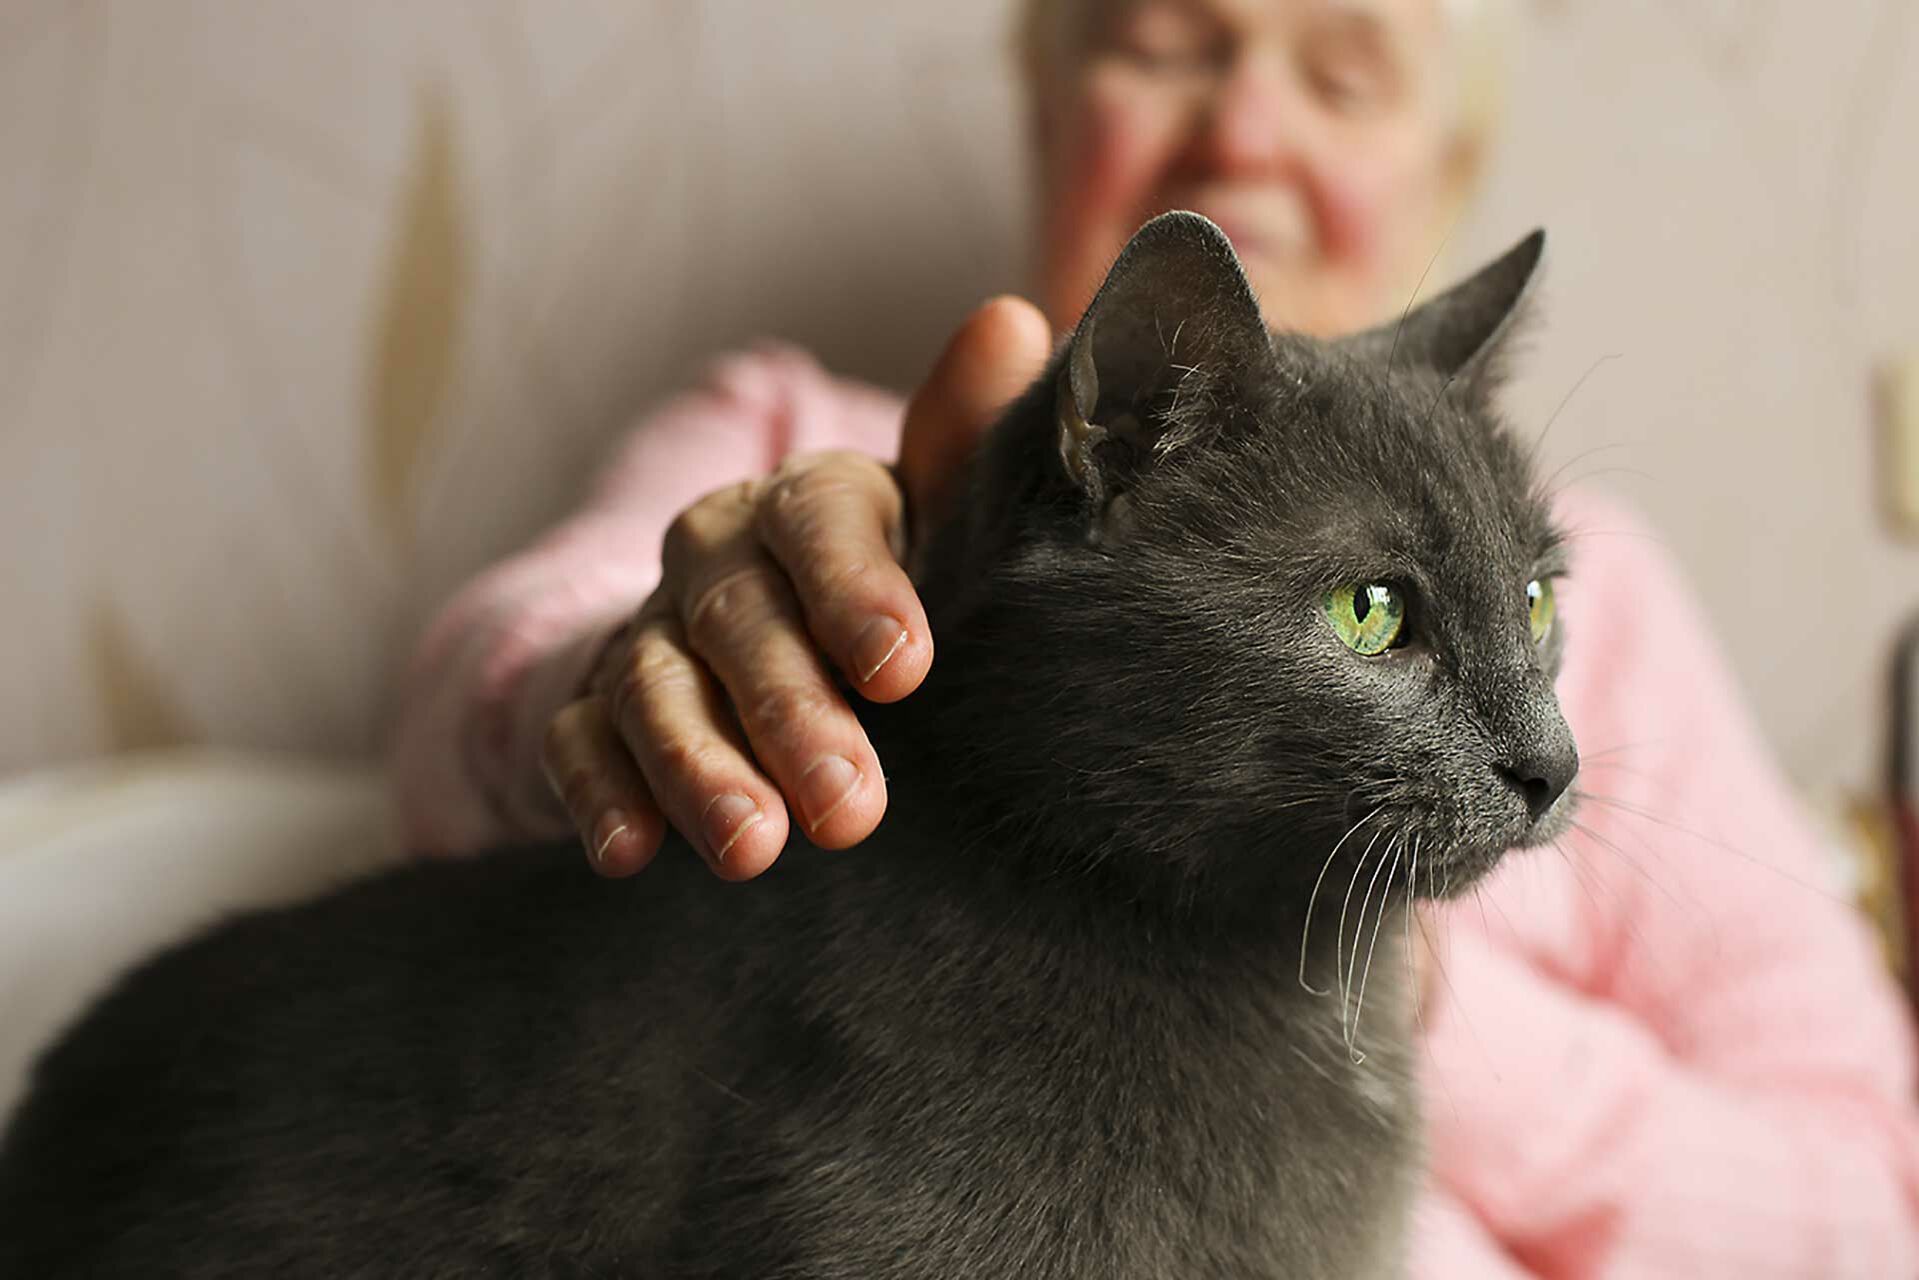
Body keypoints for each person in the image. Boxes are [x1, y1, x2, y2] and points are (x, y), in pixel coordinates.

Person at [390, 0, 1919, 1273]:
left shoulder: (1610, 585)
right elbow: (493, 690)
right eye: (1170, 43)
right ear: (1050, 113)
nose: (1247, 126)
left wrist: (1416, 999)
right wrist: (658, 683)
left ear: (1441, 173)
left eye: (1342, 72)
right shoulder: (791, 439)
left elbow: (1870, 1188)